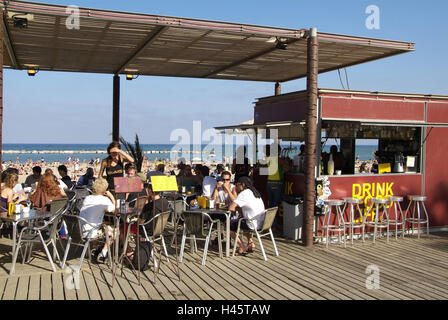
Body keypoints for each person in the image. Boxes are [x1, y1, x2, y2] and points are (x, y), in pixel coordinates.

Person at [79, 178, 116, 263]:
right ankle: (103, 253)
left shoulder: (87, 198)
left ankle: (95, 247)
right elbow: (114, 210)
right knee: (115, 230)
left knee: (105, 224)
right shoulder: (104, 200)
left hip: (81, 230)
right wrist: (112, 197)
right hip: (91, 232)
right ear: (105, 190)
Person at [228, 177, 265, 256]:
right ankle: (250, 243)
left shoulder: (244, 193)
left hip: (252, 224)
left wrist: (233, 192)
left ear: (243, 185)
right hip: (261, 223)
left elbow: (231, 208)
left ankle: (242, 246)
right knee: (242, 219)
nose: (236, 186)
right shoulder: (254, 192)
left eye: (237, 185)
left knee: (228, 225)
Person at [266, 144, 285, 209]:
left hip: (269, 183)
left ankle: (270, 218)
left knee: (271, 205)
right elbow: (288, 168)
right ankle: (274, 219)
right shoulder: (279, 160)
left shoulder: (268, 159)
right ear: (278, 151)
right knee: (276, 206)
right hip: (277, 183)